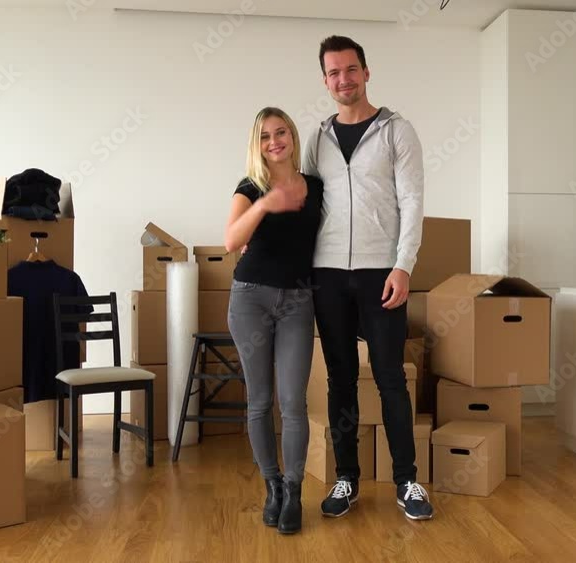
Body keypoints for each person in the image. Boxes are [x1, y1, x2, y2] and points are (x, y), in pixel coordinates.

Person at [302, 36, 433, 521]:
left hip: (382, 271)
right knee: (340, 379)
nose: (344, 79)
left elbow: (413, 202)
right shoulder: (317, 139)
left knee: (390, 377)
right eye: (334, 72)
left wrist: (404, 266)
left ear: (366, 72)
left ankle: (407, 480)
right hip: (328, 273)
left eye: (351, 69)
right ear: (325, 80)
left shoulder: (397, 131)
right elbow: (304, 204)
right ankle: (347, 479)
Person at [225, 106, 323, 535]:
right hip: (251, 299)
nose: (274, 142)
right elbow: (232, 240)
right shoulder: (251, 187)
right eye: (265, 136)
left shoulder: (315, 188)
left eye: (281, 132)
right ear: (258, 145)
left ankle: (294, 491)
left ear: (292, 137)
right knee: (260, 401)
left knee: (293, 402)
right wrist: (266, 204)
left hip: (298, 301)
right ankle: (272, 488)